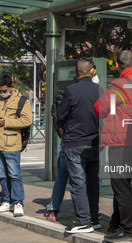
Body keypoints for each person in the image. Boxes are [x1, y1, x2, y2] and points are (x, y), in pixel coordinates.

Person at [94, 50, 132, 242]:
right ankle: (116, 224)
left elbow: (99, 109)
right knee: (124, 183)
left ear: (117, 65)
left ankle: (127, 229)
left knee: (121, 186)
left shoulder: (119, 84)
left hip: (120, 141)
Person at [57, 57, 102, 233]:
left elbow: (62, 115)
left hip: (75, 141)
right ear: (92, 71)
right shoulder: (100, 90)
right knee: (93, 181)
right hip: (95, 141)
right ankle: (94, 218)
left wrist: (62, 128)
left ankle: (83, 221)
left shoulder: (71, 90)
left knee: (77, 182)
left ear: (77, 72)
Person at [0, 73, 32, 217]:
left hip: (11, 143)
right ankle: (6, 200)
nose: (2, 93)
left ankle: (17, 202)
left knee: (14, 174)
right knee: (2, 175)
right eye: (0, 90)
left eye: (4, 90)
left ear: (11, 87)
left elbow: (26, 120)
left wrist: (6, 122)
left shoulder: (22, 100)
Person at [44, 76, 78, 221]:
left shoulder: (63, 87)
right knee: (81, 177)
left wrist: (62, 133)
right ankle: (87, 212)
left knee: (62, 175)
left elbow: (56, 113)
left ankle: (53, 208)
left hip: (67, 139)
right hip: (83, 138)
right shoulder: (91, 89)